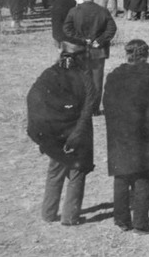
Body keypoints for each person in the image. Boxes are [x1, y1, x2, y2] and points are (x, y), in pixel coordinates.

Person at [27, 48, 97, 226]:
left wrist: (40, 130)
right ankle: (70, 217)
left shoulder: (48, 75)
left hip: (55, 134)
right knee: (77, 172)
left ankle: (48, 213)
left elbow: (32, 98)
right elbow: (88, 108)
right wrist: (77, 134)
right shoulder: (84, 78)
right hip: (79, 134)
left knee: (55, 171)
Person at [102, 39, 149, 234]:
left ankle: (121, 220)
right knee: (143, 177)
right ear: (145, 55)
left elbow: (107, 105)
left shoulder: (113, 75)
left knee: (121, 175)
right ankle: (140, 223)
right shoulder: (147, 73)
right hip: (142, 135)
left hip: (119, 135)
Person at [63, 0, 118, 115]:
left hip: (79, 51)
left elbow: (67, 29)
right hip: (98, 52)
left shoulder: (74, 11)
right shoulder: (102, 11)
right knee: (96, 80)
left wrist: (82, 40)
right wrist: (100, 41)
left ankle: (83, 108)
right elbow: (112, 28)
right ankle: (94, 109)